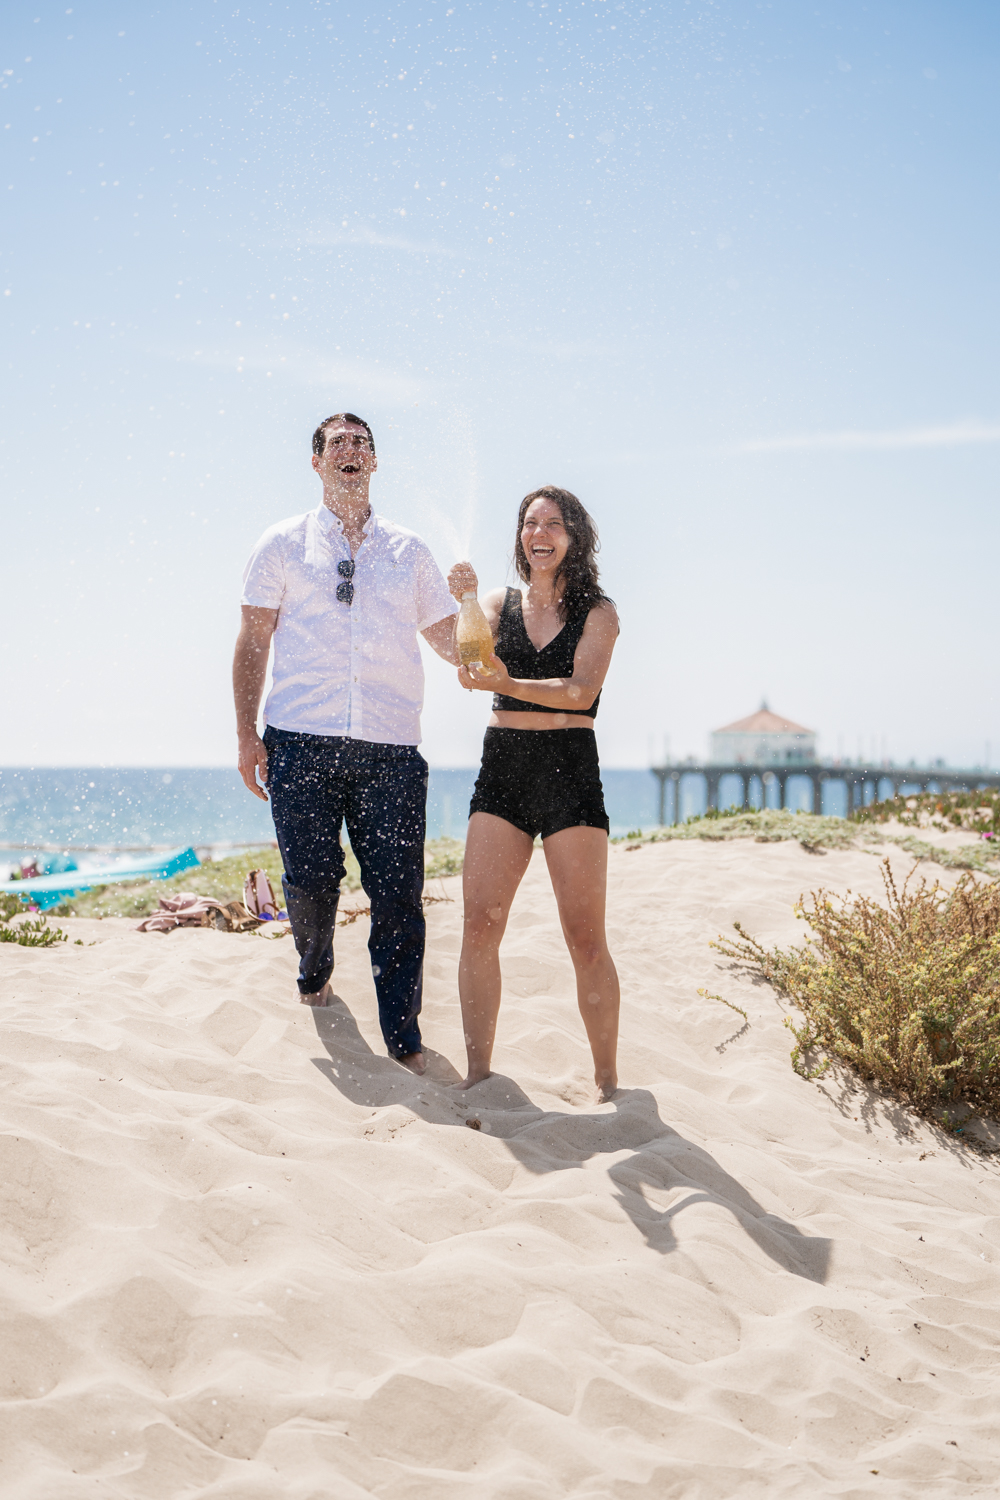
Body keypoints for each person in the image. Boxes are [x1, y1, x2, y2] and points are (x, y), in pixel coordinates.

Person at [233, 412, 476, 1075]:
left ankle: (404, 1037)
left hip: (391, 750)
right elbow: (254, 640)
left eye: (361, 443)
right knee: (311, 882)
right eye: (336, 443)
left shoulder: (410, 552)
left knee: (399, 894)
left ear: (374, 464)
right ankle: (314, 969)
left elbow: (453, 643)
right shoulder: (280, 544)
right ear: (316, 462)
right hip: (300, 743)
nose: (350, 450)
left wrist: (477, 620)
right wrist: (245, 736)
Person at [449, 485, 621, 1102]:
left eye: (553, 523)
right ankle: (477, 1075)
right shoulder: (498, 602)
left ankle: (607, 1081)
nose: (539, 532)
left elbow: (579, 692)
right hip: (505, 768)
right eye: (529, 523)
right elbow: (471, 667)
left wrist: (506, 680)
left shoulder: (599, 613)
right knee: (480, 924)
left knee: (584, 936)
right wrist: (465, 599)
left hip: (570, 768)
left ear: (575, 536)